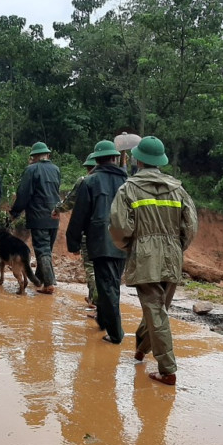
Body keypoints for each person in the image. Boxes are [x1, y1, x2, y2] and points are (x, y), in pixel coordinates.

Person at [109, 136, 198, 385]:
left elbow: (118, 226)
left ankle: (168, 369)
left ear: (138, 159)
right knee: (158, 308)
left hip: (145, 253)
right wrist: (178, 246)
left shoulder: (128, 188)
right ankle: (140, 348)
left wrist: (130, 246)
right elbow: (190, 225)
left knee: (155, 310)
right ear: (159, 161)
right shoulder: (178, 189)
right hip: (172, 253)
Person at [66, 140, 129, 344]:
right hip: (124, 241)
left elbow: (80, 215)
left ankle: (116, 333)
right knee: (112, 284)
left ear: (96, 159)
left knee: (108, 286)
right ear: (114, 158)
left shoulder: (90, 182)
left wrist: (73, 242)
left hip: (101, 241)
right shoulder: (128, 181)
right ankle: (103, 320)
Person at [11, 142, 61, 293]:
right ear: (48, 155)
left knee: (42, 249)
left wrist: (15, 211)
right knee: (47, 249)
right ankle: (39, 279)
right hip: (54, 215)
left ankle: (49, 283)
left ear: (33, 157)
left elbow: (24, 193)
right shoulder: (56, 169)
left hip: (38, 216)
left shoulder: (31, 170)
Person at [56, 154, 99, 307]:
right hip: (111, 233)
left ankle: (96, 301)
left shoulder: (84, 181)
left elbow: (70, 203)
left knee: (91, 268)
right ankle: (94, 298)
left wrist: (57, 209)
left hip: (91, 232)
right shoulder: (119, 180)